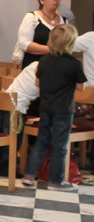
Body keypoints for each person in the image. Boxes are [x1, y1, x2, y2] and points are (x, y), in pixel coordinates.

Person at [21, 24, 87, 192]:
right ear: (71, 42)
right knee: (59, 146)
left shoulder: (44, 60)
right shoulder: (74, 64)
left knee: (42, 143)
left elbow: (37, 82)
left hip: (45, 108)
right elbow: (81, 87)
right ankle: (56, 181)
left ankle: (29, 175)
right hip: (64, 110)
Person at [17, 0, 66, 69]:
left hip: (57, 68)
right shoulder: (32, 17)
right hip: (34, 68)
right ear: (41, 0)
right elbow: (24, 44)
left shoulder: (64, 21)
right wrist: (51, 50)